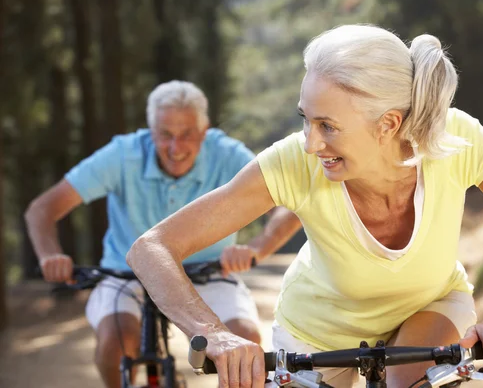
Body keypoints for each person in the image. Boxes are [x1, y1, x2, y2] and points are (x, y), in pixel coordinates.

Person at [126, 25, 483, 388]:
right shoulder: (293, 162)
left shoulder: (456, 141)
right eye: (305, 120)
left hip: (428, 306)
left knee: (409, 380)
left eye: (328, 126)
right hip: (314, 330)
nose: (311, 143)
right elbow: (153, 248)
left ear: (388, 123)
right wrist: (217, 334)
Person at [25, 80, 302, 388]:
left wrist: (256, 248)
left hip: (208, 273)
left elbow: (290, 205)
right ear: (150, 130)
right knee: (116, 342)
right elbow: (42, 209)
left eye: (186, 134)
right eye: (165, 134)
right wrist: (49, 254)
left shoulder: (227, 154)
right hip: (125, 274)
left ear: (204, 130)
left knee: (244, 342)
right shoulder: (122, 154)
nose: (175, 147)